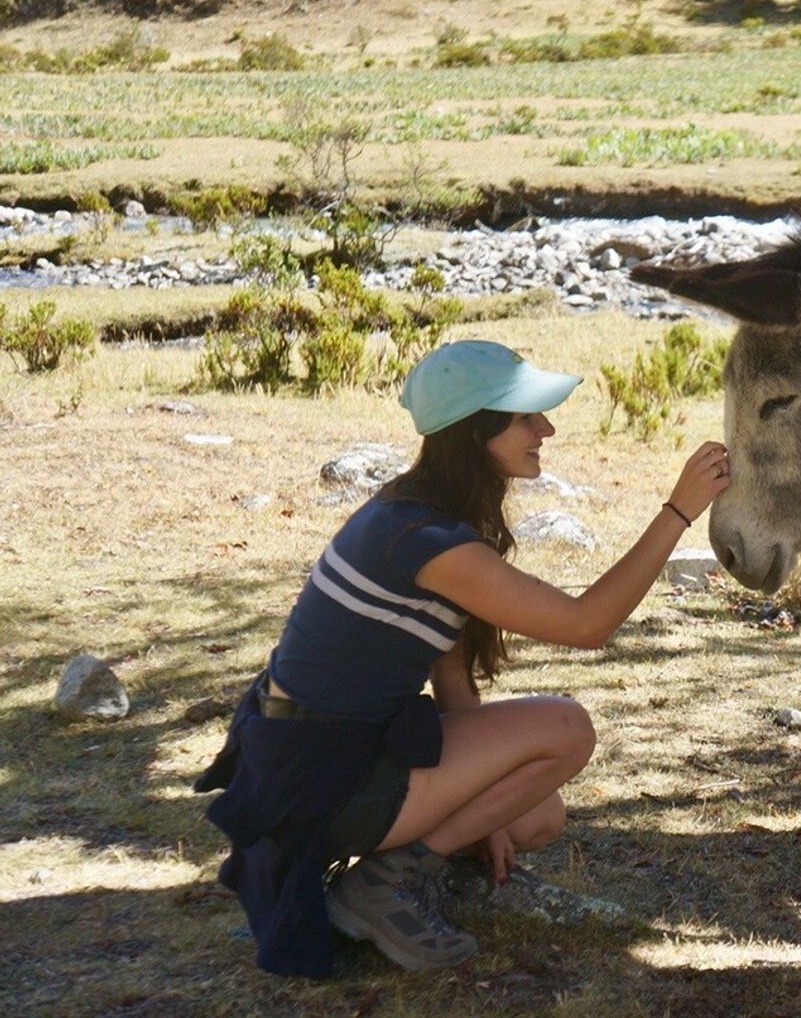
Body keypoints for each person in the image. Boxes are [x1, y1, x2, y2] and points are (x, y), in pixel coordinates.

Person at [195, 338, 729, 977]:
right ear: (476, 432)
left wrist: (481, 804)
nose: (546, 428)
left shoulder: (415, 513)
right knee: (567, 729)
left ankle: (396, 868)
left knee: (533, 818)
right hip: (315, 780)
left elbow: (449, 673)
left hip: (312, 759)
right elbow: (588, 625)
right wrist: (677, 512)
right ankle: (382, 887)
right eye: (526, 417)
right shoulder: (428, 541)